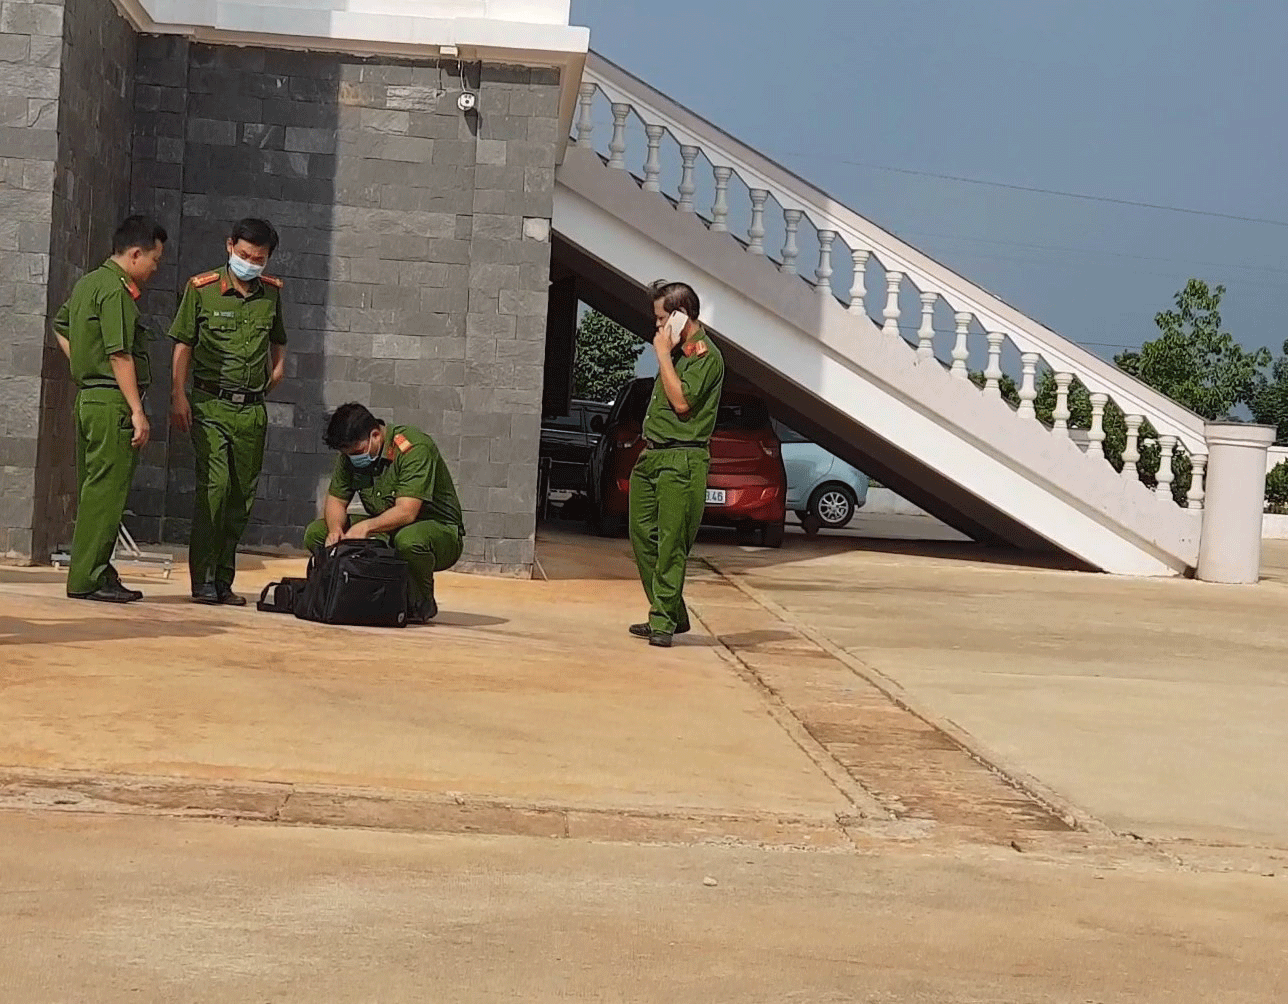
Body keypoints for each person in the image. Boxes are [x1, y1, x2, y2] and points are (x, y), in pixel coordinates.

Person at [169, 218, 288, 605]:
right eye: (243, 254)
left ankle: (223, 579)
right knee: (214, 490)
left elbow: (278, 338)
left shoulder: (271, 294)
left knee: (240, 499)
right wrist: (178, 395)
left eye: (258, 258)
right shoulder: (201, 289)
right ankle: (202, 579)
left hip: (251, 411)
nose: (250, 263)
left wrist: (278, 367)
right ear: (229, 246)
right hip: (210, 404)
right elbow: (183, 343)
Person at [52, 215, 168, 603]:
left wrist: (82, 363)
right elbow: (120, 354)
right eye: (154, 259)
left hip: (89, 399)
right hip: (111, 402)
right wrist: (136, 409)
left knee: (94, 490)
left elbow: (61, 325)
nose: (154, 268)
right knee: (107, 492)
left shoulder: (88, 283)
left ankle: (97, 569)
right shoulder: (117, 291)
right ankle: (88, 578)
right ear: (135, 253)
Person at [628, 281, 726, 647]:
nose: (657, 327)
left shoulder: (703, 356)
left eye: (661, 318)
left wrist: (663, 356)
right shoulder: (678, 352)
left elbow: (682, 403)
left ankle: (663, 622)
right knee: (642, 537)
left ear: (681, 315)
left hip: (681, 458)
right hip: (652, 455)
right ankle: (671, 611)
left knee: (671, 543)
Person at [304, 403, 465, 623]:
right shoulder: (351, 453)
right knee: (316, 533)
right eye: (348, 454)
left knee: (408, 541)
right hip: (387, 528)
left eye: (358, 452)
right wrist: (335, 530)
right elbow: (336, 501)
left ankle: (420, 603)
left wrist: (366, 527)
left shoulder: (414, 448)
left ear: (376, 435)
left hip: (436, 531)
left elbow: (407, 512)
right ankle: (357, 593)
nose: (354, 458)